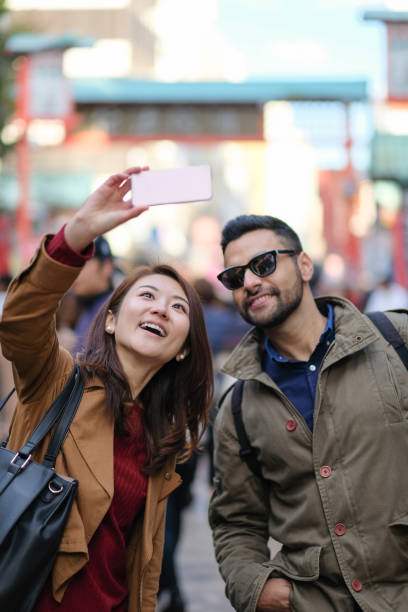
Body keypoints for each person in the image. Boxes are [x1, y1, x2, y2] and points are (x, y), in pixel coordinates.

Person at [0, 167, 213, 612]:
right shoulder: (59, 380)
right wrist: (76, 235)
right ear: (112, 320)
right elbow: (20, 322)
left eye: (178, 307)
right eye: (147, 296)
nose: (161, 309)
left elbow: (143, 569)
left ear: (182, 348)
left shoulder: (164, 438)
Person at [208, 214, 408, 612]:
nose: (249, 282)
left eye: (263, 264)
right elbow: (235, 523)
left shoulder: (396, 341)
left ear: (303, 265)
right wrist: (256, 589)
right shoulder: (239, 408)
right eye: (234, 277)